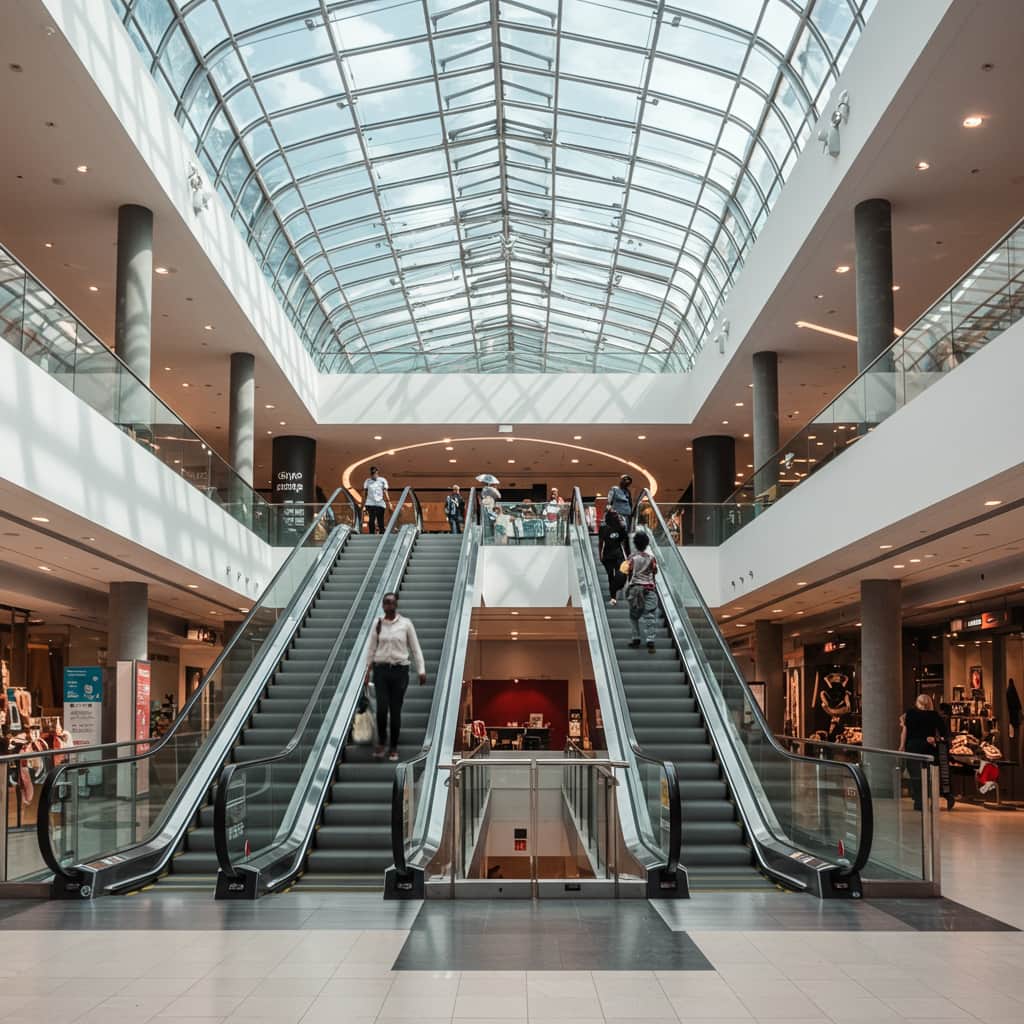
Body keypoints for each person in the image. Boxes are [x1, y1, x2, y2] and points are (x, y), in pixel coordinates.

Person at [364, 591, 426, 761]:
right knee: (382, 708)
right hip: (381, 670)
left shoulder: (406, 624)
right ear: (383, 605)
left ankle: (393, 747)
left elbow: (415, 648)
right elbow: (371, 649)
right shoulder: (377, 624)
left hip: (400, 671)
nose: (388, 606)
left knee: (395, 709)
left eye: (391, 602)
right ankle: (382, 742)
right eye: (386, 603)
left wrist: (421, 670)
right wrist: (367, 671)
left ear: (396, 604)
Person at [899, 693, 946, 811]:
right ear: (930, 703)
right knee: (929, 775)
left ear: (917, 702)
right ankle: (928, 800)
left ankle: (918, 801)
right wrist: (935, 739)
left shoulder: (910, 713)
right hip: (928, 747)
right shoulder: (934, 715)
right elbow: (944, 732)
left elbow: (905, 731)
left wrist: (902, 746)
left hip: (912, 747)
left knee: (915, 775)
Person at [625, 531, 658, 652]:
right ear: (646, 544)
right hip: (649, 589)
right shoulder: (651, 558)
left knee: (634, 616)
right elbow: (654, 572)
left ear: (635, 544)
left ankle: (636, 638)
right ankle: (650, 640)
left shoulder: (632, 558)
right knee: (649, 615)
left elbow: (628, 572)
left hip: (635, 590)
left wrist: (629, 587)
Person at [598, 509, 629, 605]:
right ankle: (613, 597)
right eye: (615, 516)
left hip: (618, 555)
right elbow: (601, 543)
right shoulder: (603, 529)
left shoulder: (621, 527)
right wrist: (600, 555)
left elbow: (625, 543)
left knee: (621, 574)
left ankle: (616, 588)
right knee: (610, 576)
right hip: (608, 556)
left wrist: (628, 556)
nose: (617, 517)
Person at [362, 466, 390, 534]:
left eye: (375, 473)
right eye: (372, 474)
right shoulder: (367, 481)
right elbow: (364, 493)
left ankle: (382, 534)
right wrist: (363, 504)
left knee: (380, 520)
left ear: (377, 473)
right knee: (371, 520)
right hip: (370, 504)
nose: (374, 475)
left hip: (380, 504)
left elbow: (385, 492)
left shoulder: (383, 480)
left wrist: (389, 502)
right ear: (370, 474)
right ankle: (371, 534)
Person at [607, 475, 633, 547]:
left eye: (628, 482)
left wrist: (631, 514)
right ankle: (617, 547)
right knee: (619, 532)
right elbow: (609, 502)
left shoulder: (628, 492)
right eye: (625, 480)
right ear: (621, 481)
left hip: (627, 515)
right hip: (618, 515)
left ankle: (625, 549)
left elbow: (630, 503)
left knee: (626, 533)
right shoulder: (614, 489)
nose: (626, 483)